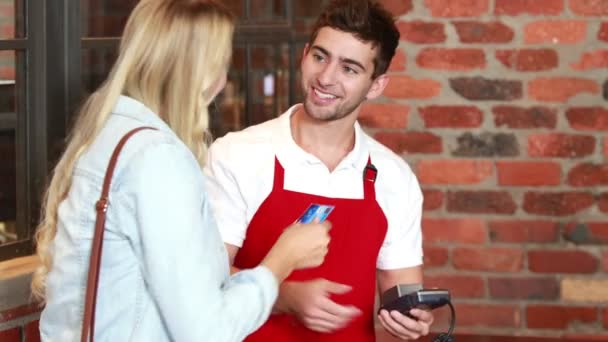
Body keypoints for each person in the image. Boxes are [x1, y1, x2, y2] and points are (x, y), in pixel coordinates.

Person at [31, 1, 331, 341]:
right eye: (220, 64)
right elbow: (207, 331)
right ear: (196, 72)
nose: (223, 79)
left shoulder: (111, 137)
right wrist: (281, 260)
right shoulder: (157, 160)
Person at [204, 0, 434, 341]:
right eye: (320, 57)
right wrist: (283, 296)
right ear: (304, 55)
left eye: (349, 69)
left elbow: (401, 294)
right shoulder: (237, 154)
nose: (325, 78)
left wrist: (410, 322)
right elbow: (205, 277)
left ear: (376, 85)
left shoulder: (394, 177)